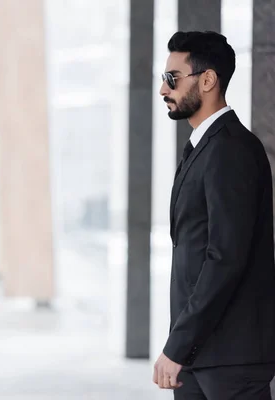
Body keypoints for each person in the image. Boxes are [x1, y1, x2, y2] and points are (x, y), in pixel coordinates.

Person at [153, 31, 275, 399]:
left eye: (172, 78)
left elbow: (224, 258)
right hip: (200, 356)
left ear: (208, 80)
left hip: (230, 361)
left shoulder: (231, 150)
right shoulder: (205, 147)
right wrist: (182, 346)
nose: (163, 89)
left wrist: (177, 346)